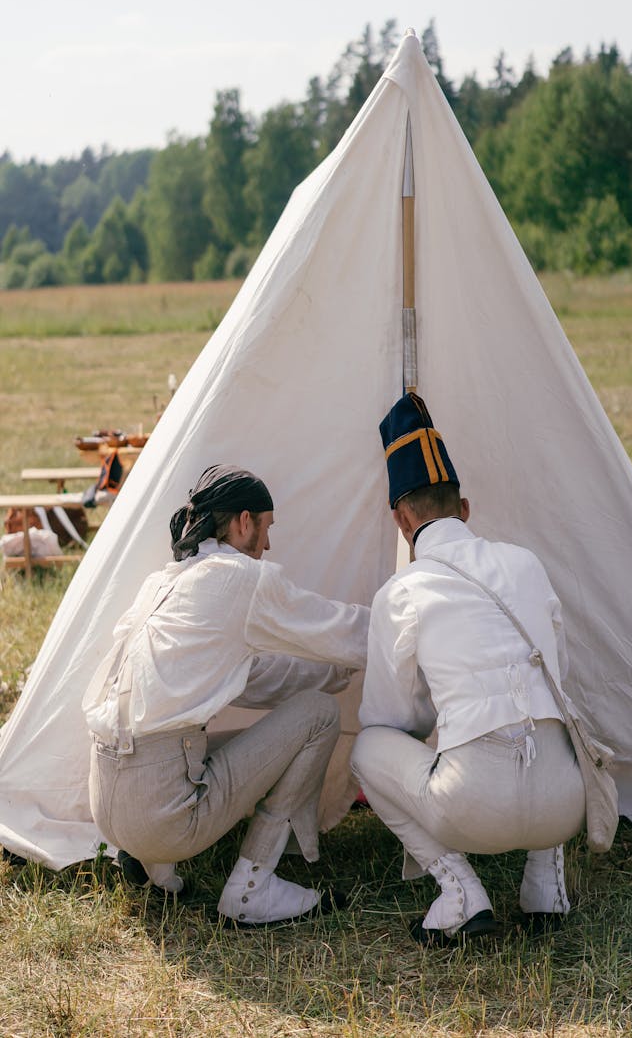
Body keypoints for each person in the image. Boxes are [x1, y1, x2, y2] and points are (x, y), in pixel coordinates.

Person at [84, 464, 369, 928]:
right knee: (319, 715)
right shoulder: (239, 576)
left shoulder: (166, 579)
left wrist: (334, 671)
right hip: (161, 812)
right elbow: (346, 629)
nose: (269, 544)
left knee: (211, 735)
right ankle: (251, 888)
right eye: (267, 527)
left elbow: (255, 679)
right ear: (242, 521)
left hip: (105, 804)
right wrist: (415, 621)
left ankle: (151, 864)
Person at [351, 394, 586, 946]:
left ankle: (460, 892)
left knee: (368, 747)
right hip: (565, 802)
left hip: (473, 808)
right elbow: (560, 672)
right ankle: (543, 884)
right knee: (547, 704)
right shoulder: (526, 563)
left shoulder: (401, 592)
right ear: (465, 509)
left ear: (401, 521)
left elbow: (392, 718)